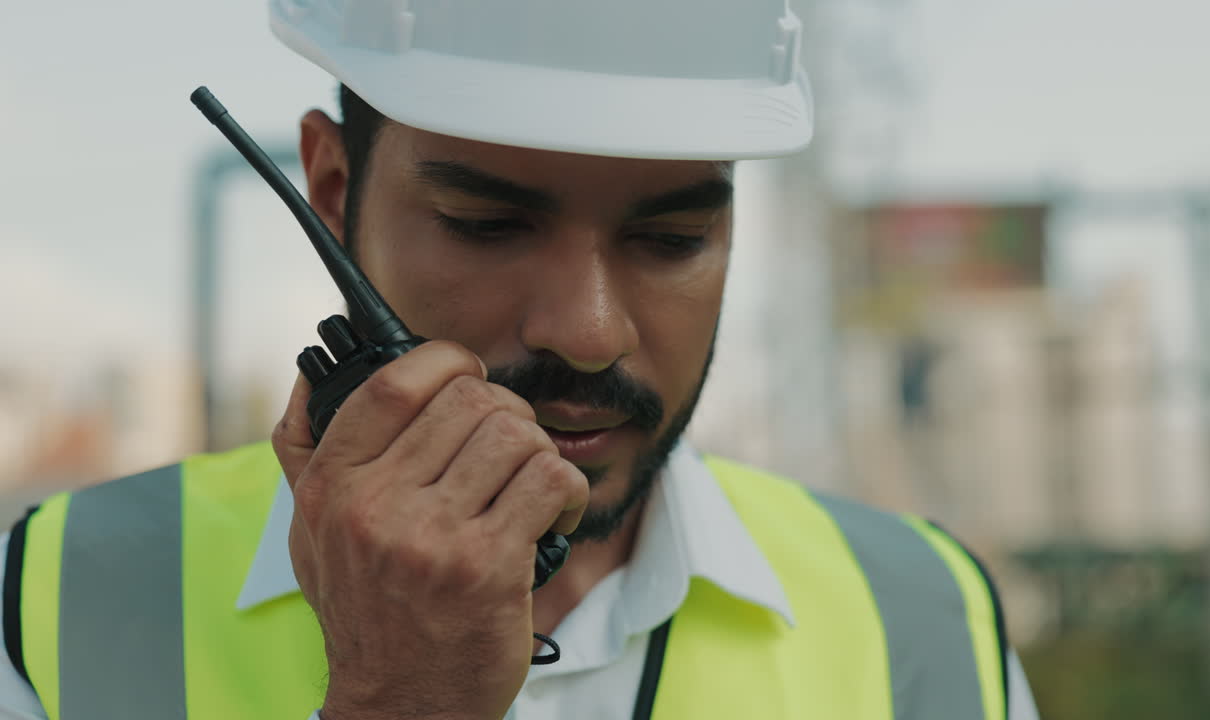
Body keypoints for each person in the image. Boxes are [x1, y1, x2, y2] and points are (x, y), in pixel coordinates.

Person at [0, 1, 1039, 718]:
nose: (588, 333)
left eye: (670, 240)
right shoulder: (58, 603)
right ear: (329, 187)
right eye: (486, 224)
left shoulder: (921, 619)